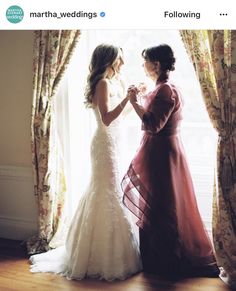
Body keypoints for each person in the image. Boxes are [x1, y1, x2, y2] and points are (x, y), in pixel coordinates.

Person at [30, 44, 142, 281]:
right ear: (109, 61)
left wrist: (133, 100)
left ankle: (114, 252)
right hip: (103, 145)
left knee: (112, 190)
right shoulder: (102, 83)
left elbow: (121, 116)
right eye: (119, 59)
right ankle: (97, 255)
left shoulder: (114, 83)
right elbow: (107, 118)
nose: (122, 64)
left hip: (114, 143)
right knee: (105, 190)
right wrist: (127, 100)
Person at [121, 44, 220, 279]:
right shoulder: (164, 88)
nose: (142, 65)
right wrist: (144, 94)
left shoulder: (165, 90)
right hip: (163, 151)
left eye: (145, 60)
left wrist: (134, 102)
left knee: (163, 206)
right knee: (162, 204)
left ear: (156, 64)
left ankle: (166, 262)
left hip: (162, 154)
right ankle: (159, 260)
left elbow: (154, 125)